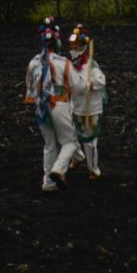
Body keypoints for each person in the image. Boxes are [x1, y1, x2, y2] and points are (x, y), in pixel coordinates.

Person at [24, 17, 79, 191]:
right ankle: (59, 170)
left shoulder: (34, 62)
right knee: (69, 142)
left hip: (41, 108)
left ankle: (48, 183)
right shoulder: (63, 62)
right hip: (59, 104)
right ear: (57, 42)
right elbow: (77, 86)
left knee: (49, 145)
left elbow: (29, 85)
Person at [67, 24, 106, 180]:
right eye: (71, 47)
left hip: (91, 108)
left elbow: (101, 81)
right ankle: (77, 157)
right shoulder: (70, 65)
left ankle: (93, 170)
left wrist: (90, 85)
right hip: (75, 106)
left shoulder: (92, 66)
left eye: (76, 47)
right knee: (70, 134)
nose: (73, 50)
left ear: (82, 47)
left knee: (90, 141)